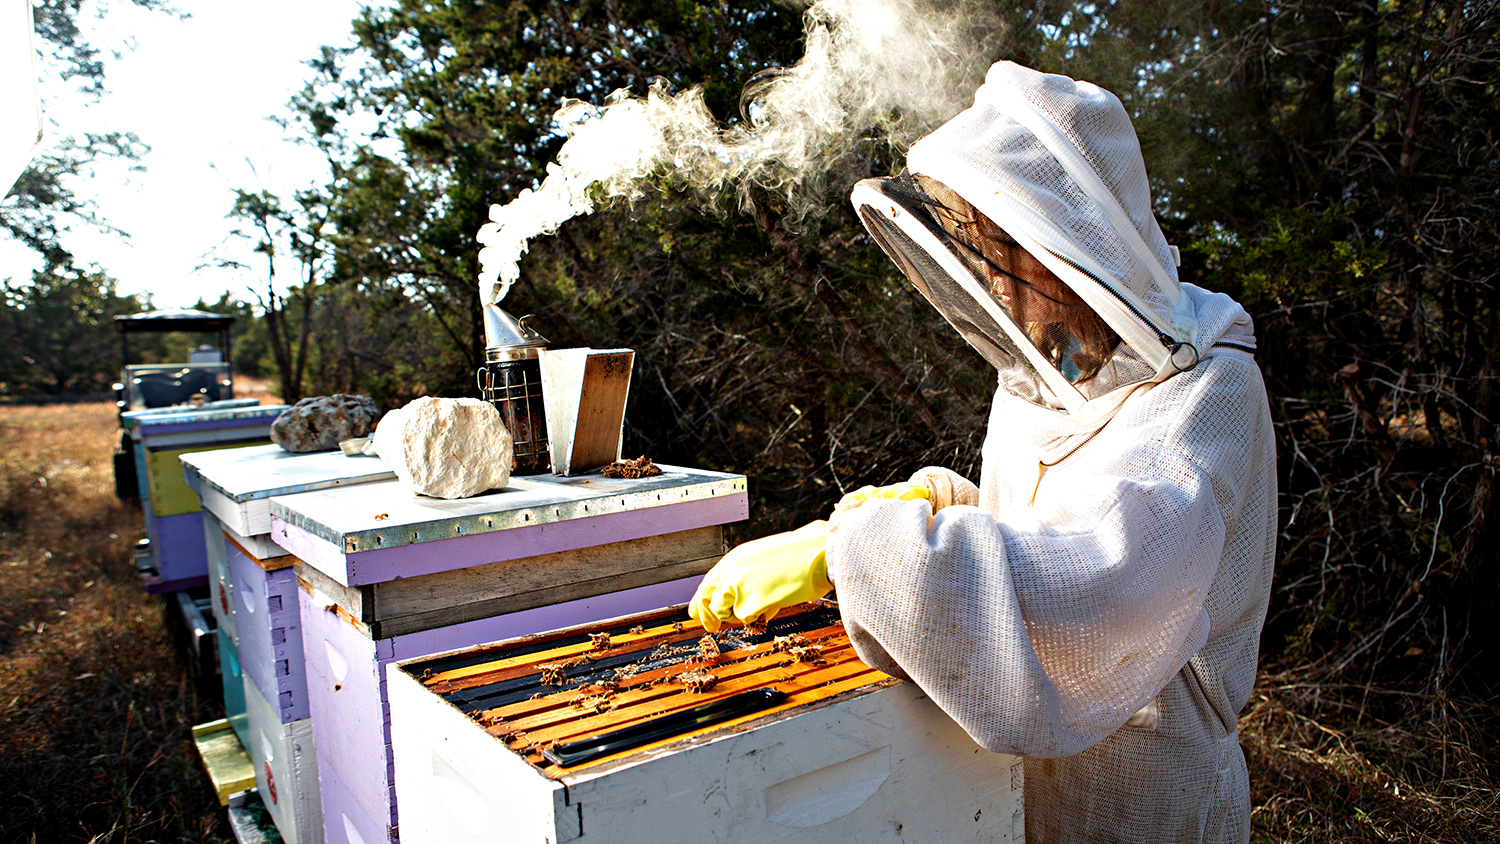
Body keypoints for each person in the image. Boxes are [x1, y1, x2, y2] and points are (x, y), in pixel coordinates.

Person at [691, 60, 1277, 843]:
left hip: (1149, 799)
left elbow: (1099, 584)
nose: (993, 287)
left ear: (1069, 239)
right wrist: (924, 506)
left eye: (1003, 254)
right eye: (976, 255)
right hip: (1022, 795)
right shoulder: (1048, 380)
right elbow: (1029, 529)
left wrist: (849, 553)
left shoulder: (1206, 392)